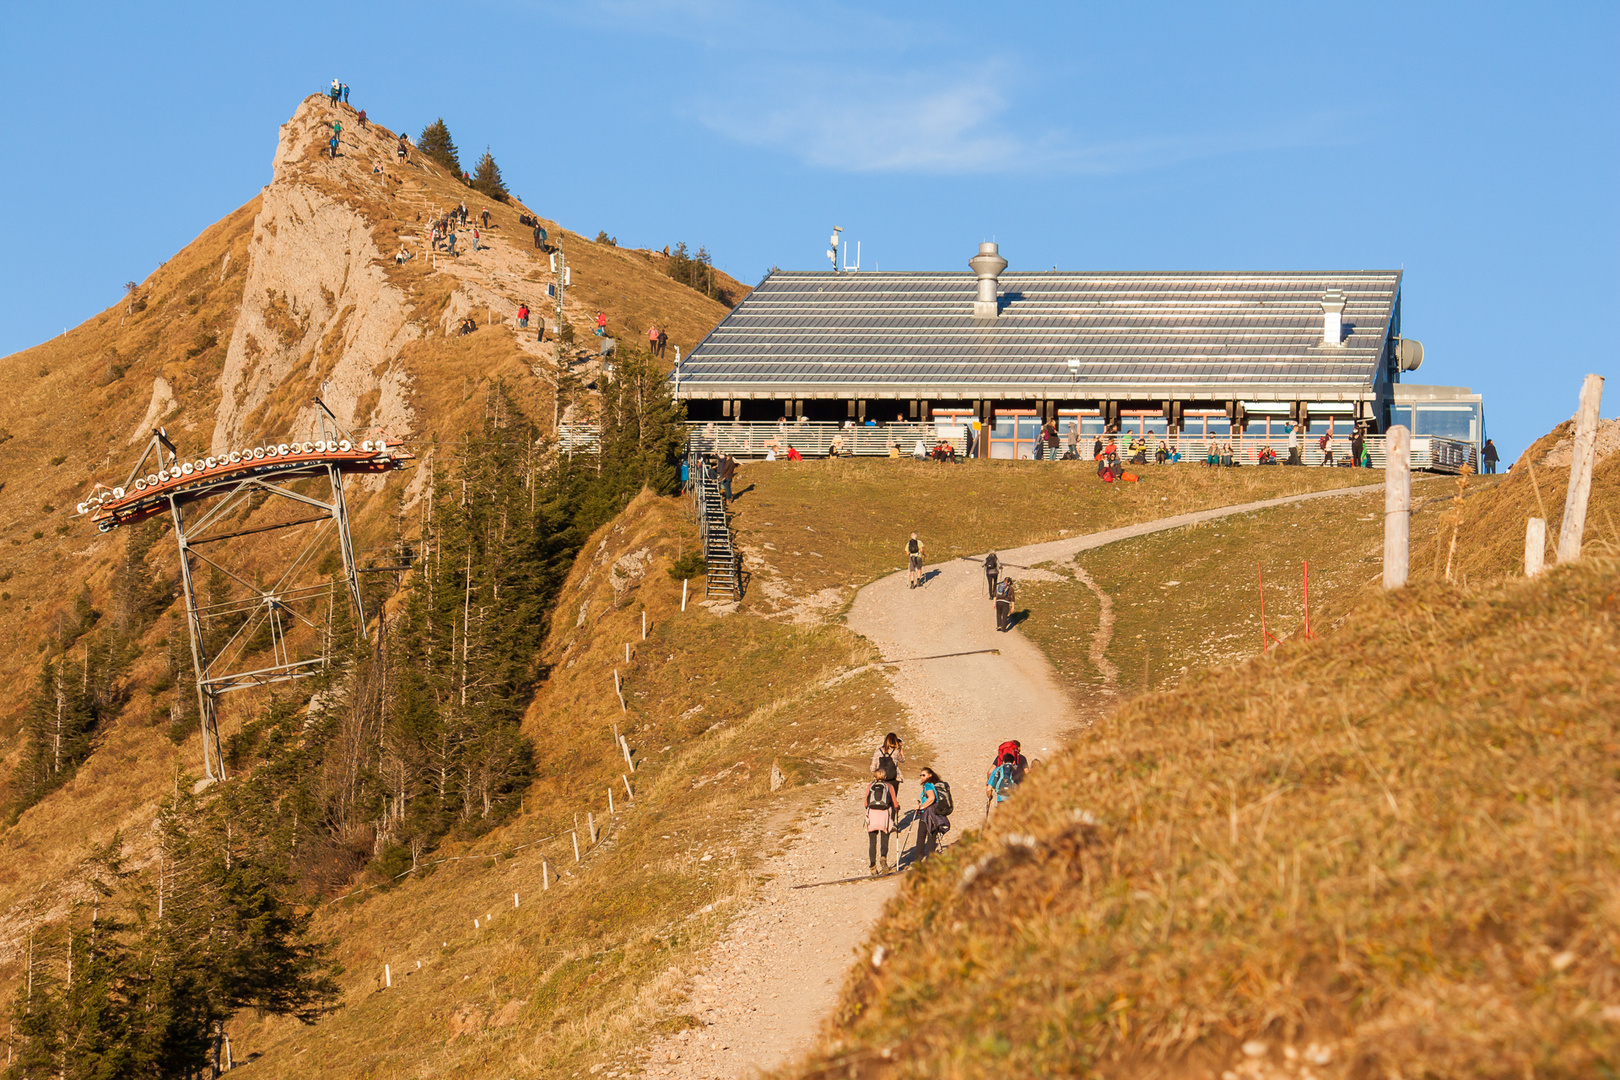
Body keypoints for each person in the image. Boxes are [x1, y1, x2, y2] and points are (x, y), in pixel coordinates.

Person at [865, 768, 898, 875]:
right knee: (885, 837)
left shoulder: (870, 786)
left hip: (872, 814)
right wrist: (897, 808)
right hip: (884, 814)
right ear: (885, 777)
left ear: (875, 776)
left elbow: (866, 803)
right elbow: (895, 803)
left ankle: (872, 866)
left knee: (872, 841)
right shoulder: (889, 786)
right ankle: (883, 857)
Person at [914, 767, 951, 860]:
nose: (921, 777)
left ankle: (918, 860)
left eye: (924, 775)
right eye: (921, 775)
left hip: (927, 813)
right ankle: (929, 860)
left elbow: (931, 798)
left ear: (930, 775)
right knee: (932, 836)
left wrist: (921, 807)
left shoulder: (928, 785)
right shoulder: (934, 784)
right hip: (935, 813)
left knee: (921, 836)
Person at [985, 740, 1028, 816]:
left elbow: (989, 771)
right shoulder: (1020, 761)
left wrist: (991, 789)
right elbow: (1027, 775)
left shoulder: (998, 768)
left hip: (1001, 799)